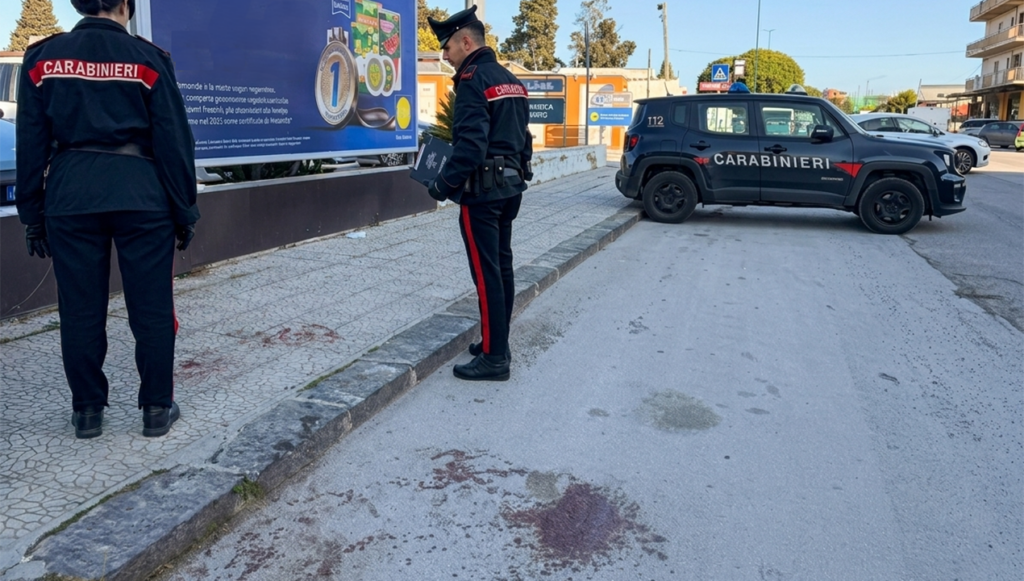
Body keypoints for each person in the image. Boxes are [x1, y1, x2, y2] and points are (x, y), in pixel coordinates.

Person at [16, 0, 199, 438]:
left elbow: (31, 141)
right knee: (152, 308)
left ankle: (87, 414)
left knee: (80, 309)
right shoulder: (149, 59)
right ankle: (156, 409)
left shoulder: (42, 59)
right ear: (126, 5)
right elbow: (174, 140)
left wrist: (32, 214)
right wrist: (184, 209)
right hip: (142, 196)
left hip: (71, 196)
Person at [427, 6, 532, 382]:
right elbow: (525, 139)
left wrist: (441, 186)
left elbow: (470, 146)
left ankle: (494, 360)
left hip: (482, 194)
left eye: (448, 47)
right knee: (501, 268)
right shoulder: (510, 79)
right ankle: (494, 341)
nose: (445, 55)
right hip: (510, 189)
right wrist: (523, 172)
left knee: (487, 274)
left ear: (466, 41)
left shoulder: (472, 80)